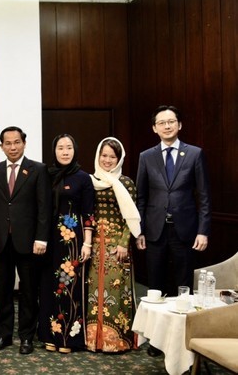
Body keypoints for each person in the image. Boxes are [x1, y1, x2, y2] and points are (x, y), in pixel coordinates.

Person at [136, 106, 211, 358]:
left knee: (183, 287)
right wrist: (140, 231)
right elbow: (142, 198)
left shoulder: (194, 154)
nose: (167, 126)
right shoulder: (146, 156)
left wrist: (203, 231)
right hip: (155, 231)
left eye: (171, 122)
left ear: (179, 125)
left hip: (186, 231)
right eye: (162, 123)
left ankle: (181, 341)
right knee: (154, 287)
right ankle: (156, 341)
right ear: (154, 128)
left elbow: (204, 197)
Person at [0, 126, 50, 355]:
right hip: (2, 241)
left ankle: (26, 337)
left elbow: (44, 208)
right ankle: (3, 335)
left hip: (29, 242)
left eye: (16, 142)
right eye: (8, 143)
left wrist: (41, 238)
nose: (12, 147)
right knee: (3, 291)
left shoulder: (38, 170)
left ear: (24, 143)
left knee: (28, 291)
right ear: (1, 146)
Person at [38, 133, 94, 353]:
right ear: (54, 151)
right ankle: (49, 335)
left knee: (68, 287)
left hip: (72, 241)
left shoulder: (83, 177)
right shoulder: (46, 175)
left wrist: (87, 243)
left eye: (68, 148)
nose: (64, 152)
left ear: (75, 150)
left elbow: (89, 212)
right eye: (60, 148)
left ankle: (68, 339)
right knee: (47, 287)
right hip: (47, 239)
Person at [86, 137, 141, 353]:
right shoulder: (90, 180)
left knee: (116, 291)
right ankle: (93, 340)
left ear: (119, 159)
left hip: (117, 245)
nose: (107, 160)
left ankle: (117, 340)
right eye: (104, 155)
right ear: (98, 156)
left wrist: (123, 243)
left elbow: (131, 217)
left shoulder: (126, 182)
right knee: (93, 290)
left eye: (112, 156)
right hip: (94, 244)